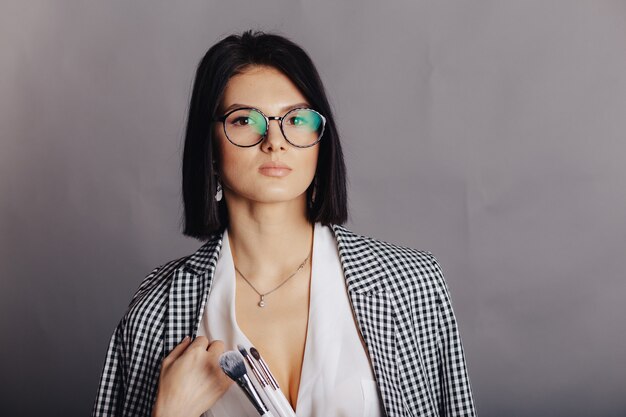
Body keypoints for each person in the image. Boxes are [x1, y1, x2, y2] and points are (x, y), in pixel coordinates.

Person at [92, 30, 476, 417]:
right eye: (244, 119)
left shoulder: (411, 285)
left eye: (296, 118)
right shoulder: (157, 307)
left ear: (319, 140)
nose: (274, 140)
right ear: (208, 147)